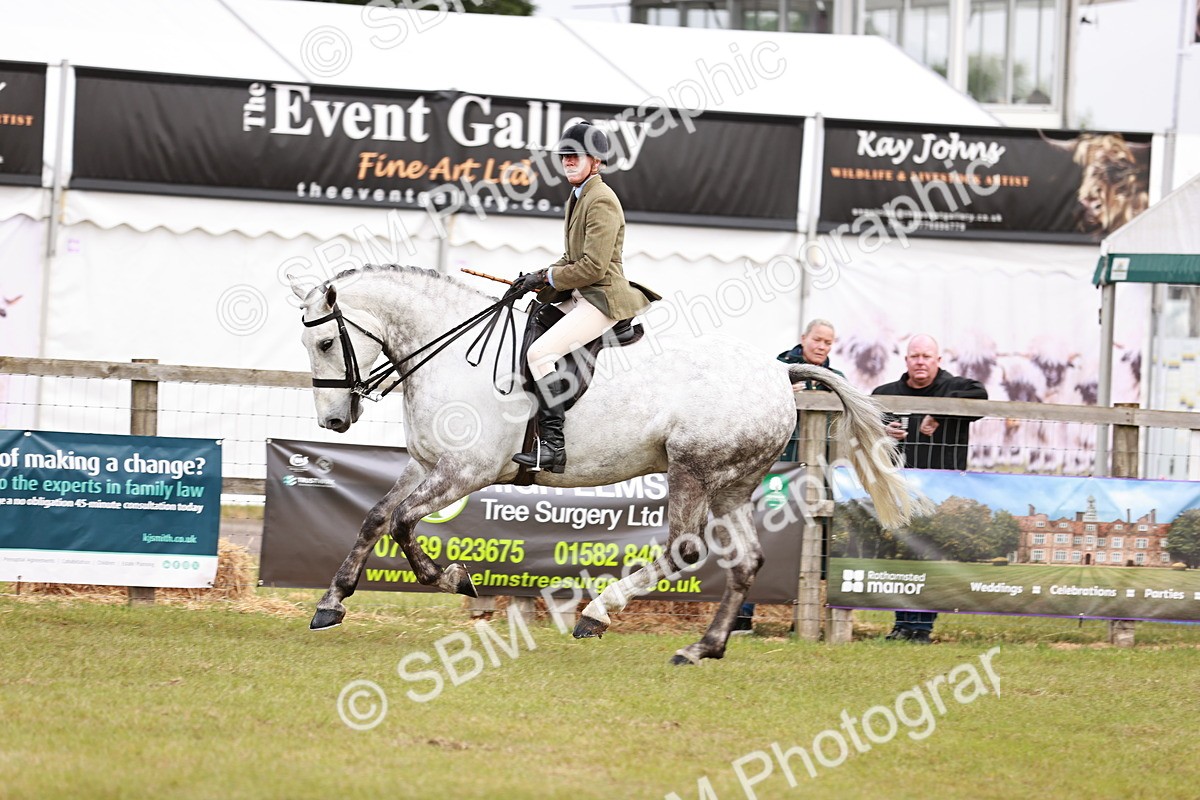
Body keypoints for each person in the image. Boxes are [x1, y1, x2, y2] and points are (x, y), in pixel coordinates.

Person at [506, 122, 660, 473]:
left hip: (601, 298)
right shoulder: (578, 196)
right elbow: (570, 258)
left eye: (576, 155)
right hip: (580, 295)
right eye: (565, 156)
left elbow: (592, 267)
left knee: (540, 353)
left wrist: (547, 277)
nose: (568, 161)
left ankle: (553, 447)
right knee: (532, 318)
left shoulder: (601, 199)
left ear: (596, 161)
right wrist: (537, 278)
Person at [872, 334, 988, 643]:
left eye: (926, 356)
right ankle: (902, 624)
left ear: (938, 360)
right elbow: (866, 424)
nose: (920, 362)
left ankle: (922, 627)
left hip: (941, 493)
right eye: (915, 356)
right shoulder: (886, 393)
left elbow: (981, 396)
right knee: (902, 556)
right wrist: (883, 430)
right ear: (906, 360)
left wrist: (938, 413)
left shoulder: (956, 388)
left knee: (931, 557)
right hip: (899, 489)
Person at [732, 319, 843, 635]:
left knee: (815, 543)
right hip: (777, 471)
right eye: (817, 340)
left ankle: (804, 620)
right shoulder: (776, 369)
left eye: (828, 342)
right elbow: (745, 403)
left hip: (819, 476)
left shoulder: (835, 379)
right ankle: (742, 617)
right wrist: (778, 392)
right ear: (804, 338)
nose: (821, 346)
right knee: (765, 535)